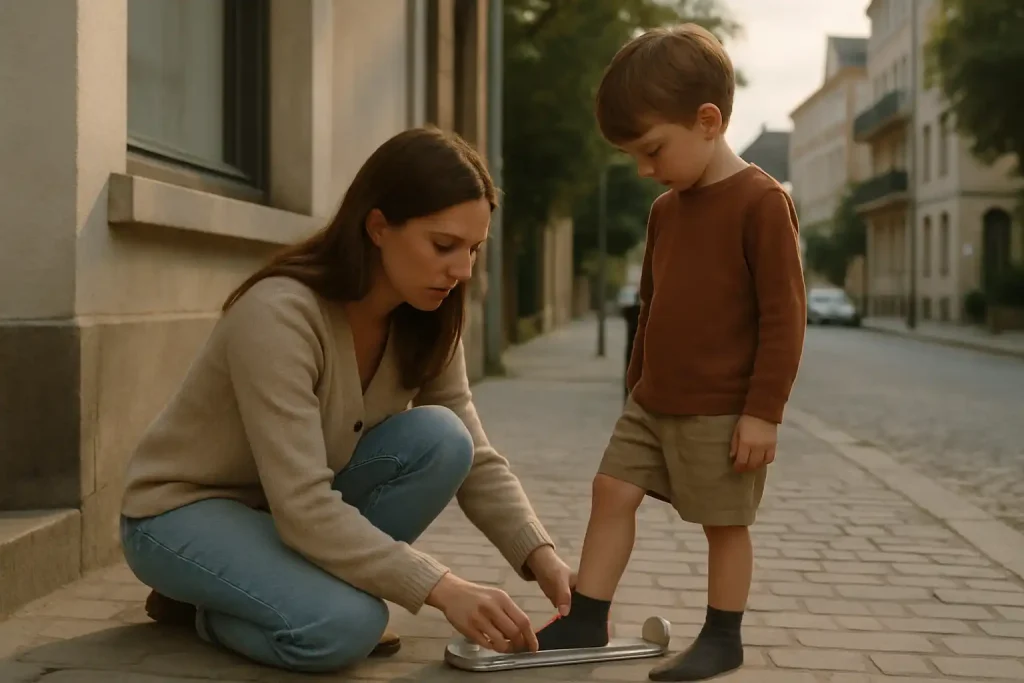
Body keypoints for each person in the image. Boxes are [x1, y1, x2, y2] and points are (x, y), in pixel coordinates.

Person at [118, 126, 576, 674]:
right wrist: (442, 587)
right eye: (444, 246)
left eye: (473, 249)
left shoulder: (426, 315)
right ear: (378, 227)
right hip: (179, 517)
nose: (463, 271)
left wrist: (544, 560)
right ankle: (206, 607)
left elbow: (475, 458)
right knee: (347, 626)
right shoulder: (280, 313)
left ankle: (267, 589)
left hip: (285, 517)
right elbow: (303, 504)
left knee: (443, 439)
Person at [534, 24, 807, 682]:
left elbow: (785, 317)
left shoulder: (762, 203)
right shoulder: (665, 211)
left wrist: (763, 412)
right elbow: (650, 306)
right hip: (651, 403)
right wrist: (633, 385)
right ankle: (587, 616)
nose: (644, 168)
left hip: (722, 409)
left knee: (723, 523)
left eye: (652, 149)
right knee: (610, 490)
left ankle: (723, 634)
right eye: (634, 156)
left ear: (708, 121)